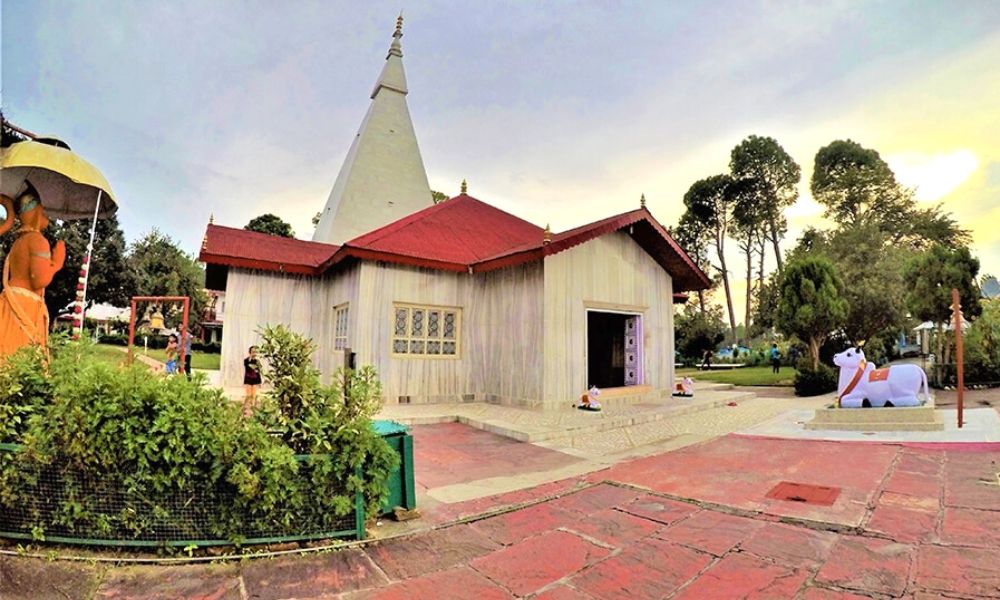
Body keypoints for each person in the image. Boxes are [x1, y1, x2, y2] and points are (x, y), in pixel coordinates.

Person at [0, 186, 66, 359]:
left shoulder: (18, 243)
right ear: (37, 212)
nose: (47, 218)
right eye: (44, 211)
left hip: (9, 302)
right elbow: (39, 280)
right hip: (24, 306)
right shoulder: (38, 241)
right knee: (20, 358)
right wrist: (56, 263)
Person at [243, 346, 262, 416]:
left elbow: (258, 372)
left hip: (255, 379)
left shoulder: (257, 362)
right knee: (248, 394)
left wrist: (259, 382)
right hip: (248, 379)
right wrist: (250, 359)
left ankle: (252, 408)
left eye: (255, 352)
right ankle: (247, 408)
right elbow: (247, 367)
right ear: (250, 352)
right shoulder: (246, 360)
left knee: (254, 394)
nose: (254, 353)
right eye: (252, 352)